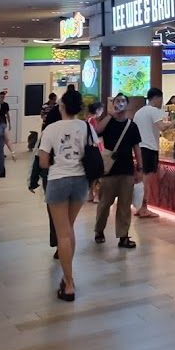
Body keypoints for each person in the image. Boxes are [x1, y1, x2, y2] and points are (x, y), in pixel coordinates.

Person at [38, 87, 89, 301]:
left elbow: (42, 161)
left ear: (62, 107)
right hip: (80, 181)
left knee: (63, 233)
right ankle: (68, 277)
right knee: (69, 228)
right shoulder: (86, 126)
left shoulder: (51, 129)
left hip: (58, 180)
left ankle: (69, 283)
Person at [92, 93, 142, 249]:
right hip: (108, 170)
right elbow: (97, 131)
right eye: (117, 101)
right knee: (104, 204)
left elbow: (136, 147)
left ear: (127, 105)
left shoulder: (132, 126)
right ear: (112, 104)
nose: (120, 103)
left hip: (126, 169)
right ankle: (99, 230)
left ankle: (123, 236)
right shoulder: (108, 122)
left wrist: (139, 167)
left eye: (122, 101)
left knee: (125, 205)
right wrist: (110, 115)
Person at [132, 87, 171, 220]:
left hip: (140, 149)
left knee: (142, 180)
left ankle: (139, 207)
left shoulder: (139, 112)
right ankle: (144, 208)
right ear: (156, 98)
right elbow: (163, 128)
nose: (161, 102)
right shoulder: (154, 111)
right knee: (146, 180)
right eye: (161, 99)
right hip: (149, 149)